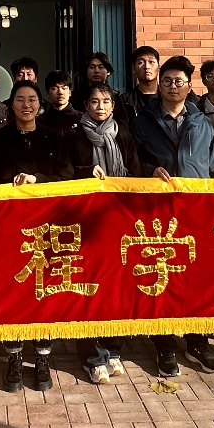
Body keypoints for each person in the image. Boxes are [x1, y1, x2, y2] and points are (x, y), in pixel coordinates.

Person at [131, 56, 214, 377]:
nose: (173, 86)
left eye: (179, 81)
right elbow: (133, 162)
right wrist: (149, 171)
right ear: (159, 84)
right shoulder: (142, 121)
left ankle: (198, 342)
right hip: (156, 212)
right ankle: (165, 345)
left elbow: (212, 166)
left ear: (189, 86)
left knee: (197, 277)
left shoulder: (202, 122)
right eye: (168, 81)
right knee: (162, 276)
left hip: (194, 211)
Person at [0, 81, 75, 392]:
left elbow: (66, 177)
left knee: (43, 291)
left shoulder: (54, 138)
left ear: (40, 104)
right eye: (20, 99)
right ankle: (13, 355)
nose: (27, 105)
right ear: (11, 105)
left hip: (45, 228)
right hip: (8, 228)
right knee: (12, 291)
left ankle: (42, 357)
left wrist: (38, 180)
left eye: (32, 99)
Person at [68, 84, 141, 384]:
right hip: (85, 222)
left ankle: (113, 349)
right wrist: (87, 172)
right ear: (85, 104)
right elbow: (65, 173)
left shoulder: (123, 134)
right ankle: (90, 354)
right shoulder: (74, 135)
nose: (100, 106)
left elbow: (135, 173)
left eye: (106, 101)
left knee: (115, 286)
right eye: (95, 101)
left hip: (118, 220)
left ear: (113, 105)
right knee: (88, 285)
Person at [121, 45, 161, 124]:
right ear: (134, 69)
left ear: (158, 67)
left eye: (151, 62)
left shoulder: (168, 96)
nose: (147, 67)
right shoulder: (125, 101)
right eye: (141, 62)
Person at [39, 70, 81, 137]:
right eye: (54, 88)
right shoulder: (40, 121)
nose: (60, 92)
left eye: (64, 88)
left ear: (70, 92)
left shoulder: (81, 119)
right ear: (47, 93)